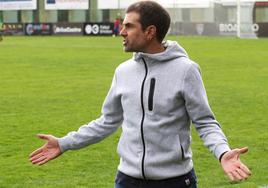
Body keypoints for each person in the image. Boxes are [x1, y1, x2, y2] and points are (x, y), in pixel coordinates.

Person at [29, 1, 251, 188]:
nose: (121, 32)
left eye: (129, 26)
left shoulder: (186, 70)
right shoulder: (123, 72)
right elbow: (107, 122)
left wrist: (223, 153)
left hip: (175, 181)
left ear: (150, 31)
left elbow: (204, 122)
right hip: (127, 180)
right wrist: (64, 143)